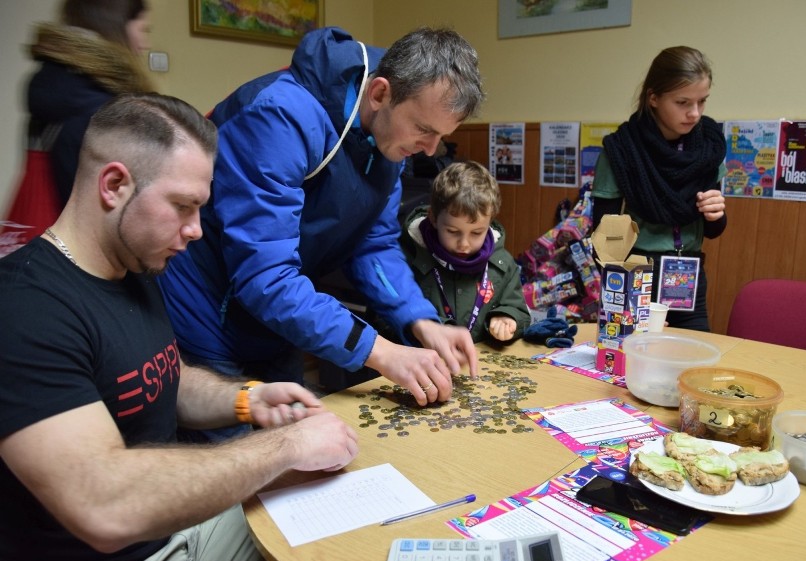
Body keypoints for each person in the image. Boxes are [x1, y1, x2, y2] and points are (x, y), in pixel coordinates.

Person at [0, 94, 358, 561]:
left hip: (175, 533)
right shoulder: (23, 308)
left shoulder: (133, 266)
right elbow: (104, 504)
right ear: (114, 185)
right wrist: (284, 446)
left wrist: (247, 399)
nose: (196, 230)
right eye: (183, 206)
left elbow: (157, 377)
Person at [157, 26, 485, 431]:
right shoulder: (280, 117)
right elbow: (266, 277)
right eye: (424, 130)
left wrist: (420, 319)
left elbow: (374, 244)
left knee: (300, 449)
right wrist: (381, 351)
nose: (432, 149)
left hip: (278, 321)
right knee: (238, 465)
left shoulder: (390, 133)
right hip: (208, 315)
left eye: (442, 135)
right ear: (380, 94)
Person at [591, 46, 727, 332]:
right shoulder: (621, 150)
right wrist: (631, 302)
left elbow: (713, 230)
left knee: (690, 367)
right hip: (636, 276)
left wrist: (716, 214)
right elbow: (606, 242)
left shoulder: (710, 145)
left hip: (688, 277)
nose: (694, 113)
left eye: (702, 101)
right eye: (682, 102)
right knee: (630, 368)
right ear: (653, 98)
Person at [27, 0, 154, 208]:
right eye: (143, 30)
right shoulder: (100, 106)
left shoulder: (54, 85)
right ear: (116, 26)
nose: (144, 43)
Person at [399, 160, 530, 344]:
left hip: (479, 366)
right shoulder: (405, 257)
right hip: (422, 364)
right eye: (452, 232)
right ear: (434, 219)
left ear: (489, 223)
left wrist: (508, 317)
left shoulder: (502, 262)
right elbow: (385, 317)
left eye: (477, 233)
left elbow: (518, 309)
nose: (464, 244)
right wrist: (434, 329)